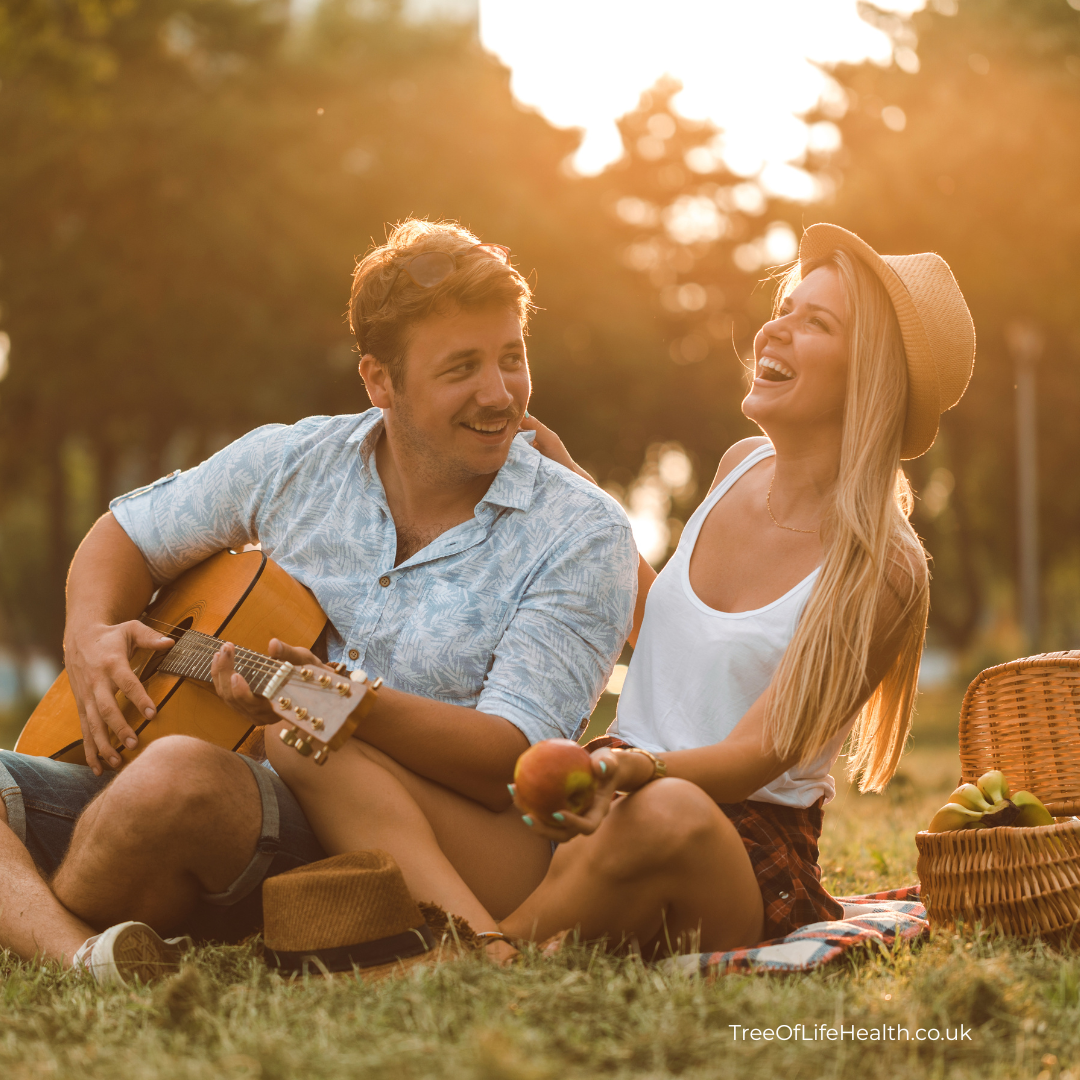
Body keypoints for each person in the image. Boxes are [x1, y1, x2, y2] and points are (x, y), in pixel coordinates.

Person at [278, 222, 973, 958]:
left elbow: (760, 753)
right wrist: (578, 488)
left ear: (871, 375)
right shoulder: (739, 466)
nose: (778, 326)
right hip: (607, 803)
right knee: (307, 733)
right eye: (788, 307)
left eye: (816, 322)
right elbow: (663, 626)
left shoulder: (885, 564)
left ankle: (471, 960)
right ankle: (481, 945)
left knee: (666, 810)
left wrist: (640, 770)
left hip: (731, 848)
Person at [0, 219, 637, 980]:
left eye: (511, 357)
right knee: (166, 776)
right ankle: (77, 954)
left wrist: (337, 702)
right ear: (378, 381)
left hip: (395, 835)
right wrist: (91, 632)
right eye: (461, 367)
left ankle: (38, 916)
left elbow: (515, 756)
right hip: (207, 780)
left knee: (177, 778)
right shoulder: (294, 461)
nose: (499, 394)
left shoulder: (582, 532)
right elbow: (125, 533)